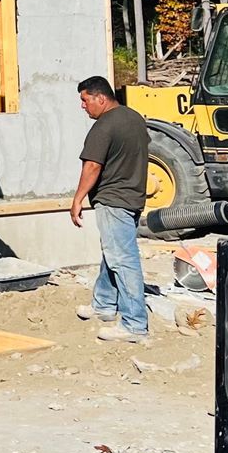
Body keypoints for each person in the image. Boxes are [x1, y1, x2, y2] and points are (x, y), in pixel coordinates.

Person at [70, 75, 151, 343]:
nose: (83, 106)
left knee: (123, 259)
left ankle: (134, 324)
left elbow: (92, 166)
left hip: (113, 199)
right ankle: (103, 304)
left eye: (85, 100)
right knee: (114, 253)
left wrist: (78, 198)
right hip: (133, 196)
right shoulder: (134, 118)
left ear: (100, 98)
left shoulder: (103, 126)